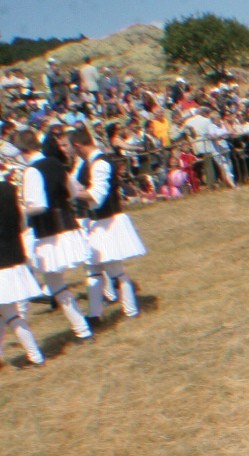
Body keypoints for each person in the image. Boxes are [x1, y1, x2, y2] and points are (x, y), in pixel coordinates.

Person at [13, 128, 92, 339]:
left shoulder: (31, 171)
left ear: (22, 151)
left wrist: (18, 209)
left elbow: (37, 206)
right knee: (55, 285)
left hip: (49, 233)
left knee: (44, 282)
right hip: (66, 225)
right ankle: (82, 329)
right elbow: (73, 192)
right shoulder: (55, 163)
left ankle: (82, 329)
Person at [67, 126, 146, 321]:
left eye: (71, 147)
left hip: (108, 221)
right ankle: (95, 315)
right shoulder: (87, 163)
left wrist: (71, 194)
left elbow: (97, 196)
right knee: (93, 269)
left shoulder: (100, 164)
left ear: (77, 145)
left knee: (115, 270)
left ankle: (130, 310)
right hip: (97, 222)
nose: (70, 151)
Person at [0, 169, 46, 365]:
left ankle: (36, 356)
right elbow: (20, 221)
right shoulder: (10, 189)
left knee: (10, 314)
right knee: (6, 312)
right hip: (13, 252)